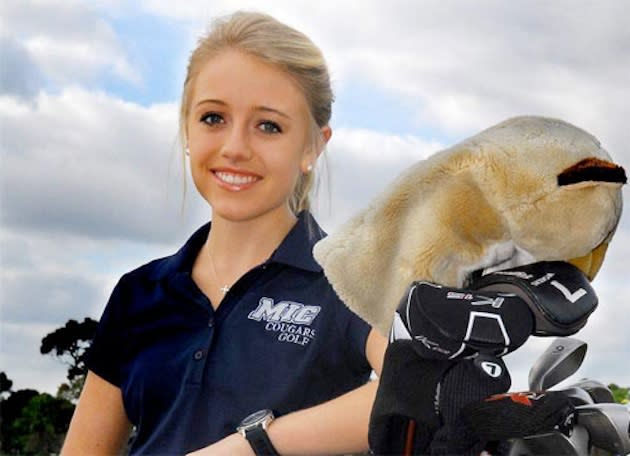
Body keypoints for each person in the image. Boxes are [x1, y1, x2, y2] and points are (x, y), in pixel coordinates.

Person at [61, 11, 387, 456]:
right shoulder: (138, 293)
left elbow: (421, 391)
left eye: (268, 125)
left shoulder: (352, 282)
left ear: (313, 145)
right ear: (188, 128)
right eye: (213, 118)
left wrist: (249, 447)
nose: (234, 147)